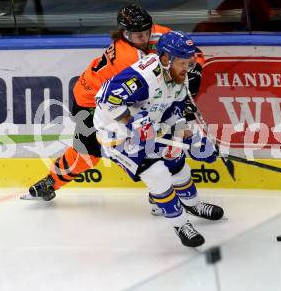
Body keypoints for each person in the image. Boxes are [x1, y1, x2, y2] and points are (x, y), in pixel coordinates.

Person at [24, 5, 204, 209]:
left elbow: (191, 52)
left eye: (147, 32)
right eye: (137, 35)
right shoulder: (127, 57)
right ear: (125, 33)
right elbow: (154, 84)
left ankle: (161, 190)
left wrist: (196, 69)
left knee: (145, 139)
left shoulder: (158, 33)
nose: (144, 38)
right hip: (92, 102)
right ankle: (51, 181)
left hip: (120, 99)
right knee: (91, 150)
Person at [93, 31, 224, 247]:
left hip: (148, 126)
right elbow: (106, 99)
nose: (187, 67)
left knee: (176, 160)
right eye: (182, 62)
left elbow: (173, 113)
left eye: (189, 61)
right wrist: (132, 122)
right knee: (157, 174)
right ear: (165, 59)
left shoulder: (180, 77)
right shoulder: (145, 76)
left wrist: (193, 140)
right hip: (116, 133)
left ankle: (192, 204)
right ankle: (181, 224)